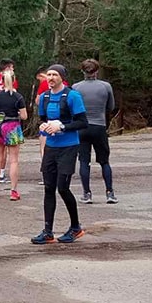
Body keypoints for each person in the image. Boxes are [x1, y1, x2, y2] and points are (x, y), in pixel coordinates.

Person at [32, 64, 88, 244]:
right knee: (48, 188)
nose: (51, 78)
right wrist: (43, 126)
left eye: (55, 75)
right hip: (51, 147)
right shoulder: (45, 97)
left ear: (62, 77)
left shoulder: (72, 96)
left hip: (69, 146)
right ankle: (48, 231)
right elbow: (42, 119)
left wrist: (62, 126)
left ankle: (75, 227)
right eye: (48, 75)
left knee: (62, 188)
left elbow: (82, 123)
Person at [73, 59, 117, 204]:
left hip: (82, 127)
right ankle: (110, 193)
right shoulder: (106, 86)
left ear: (83, 71)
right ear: (97, 71)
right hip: (99, 126)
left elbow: (73, 108)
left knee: (84, 162)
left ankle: (87, 194)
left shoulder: (76, 87)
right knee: (104, 161)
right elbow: (111, 106)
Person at [0, 69, 28, 201]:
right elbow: (24, 116)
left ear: (1, 81)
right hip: (13, 127)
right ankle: (14, 191)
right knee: (14, 160)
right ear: (14, 80)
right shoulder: (18, 97)